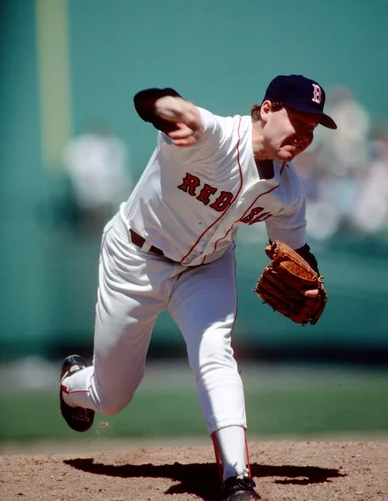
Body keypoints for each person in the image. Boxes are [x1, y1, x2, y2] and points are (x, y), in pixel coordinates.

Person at [59, 74, 337, 501]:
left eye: (312, 127)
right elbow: (151, 102)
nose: (303, 134)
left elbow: (298, 252)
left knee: (216, 354)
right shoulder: (216, 137)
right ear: (266, 110)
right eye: (297, 119)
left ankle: (237, 478)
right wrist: (168, 108)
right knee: (111, 397)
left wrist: (311, 283)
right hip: (136, 258)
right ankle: (73, 383)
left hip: (205, 268)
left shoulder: (288, 189)